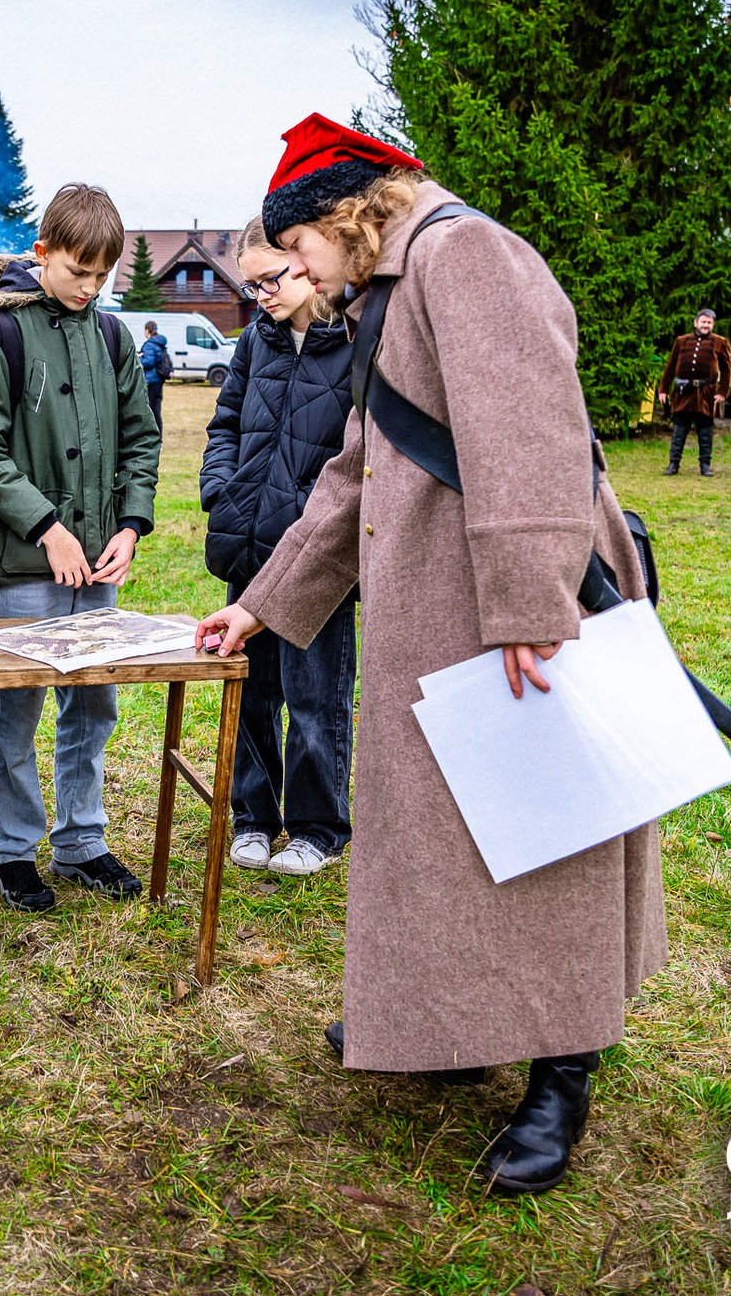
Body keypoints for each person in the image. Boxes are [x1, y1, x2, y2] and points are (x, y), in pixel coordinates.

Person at [197, 114, 664, 1197]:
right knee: (448, 832)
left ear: (345, 214)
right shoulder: (396, 283)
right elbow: (357, 470)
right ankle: (456, 1021)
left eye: (297, 248)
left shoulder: (467, 255)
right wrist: (262, 607)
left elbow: (533, 436)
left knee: (547, 832)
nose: (297, 273)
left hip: (517, 603)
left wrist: (528, 604)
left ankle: (562, 1070)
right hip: (442, 601)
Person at [0, 182, 161, 913]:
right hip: (21, 563)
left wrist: (130, 524)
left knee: (94, 702)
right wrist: (47, 528)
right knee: (16, 708)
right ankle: (12, 849)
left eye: (102, 275)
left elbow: (142, 439)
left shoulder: (114, 337)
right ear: (42, 253)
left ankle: (81, 840)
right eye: (77, 271)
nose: (90, 287)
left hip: (98, 561)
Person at [200, 217, 356, 878]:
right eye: (251, 284)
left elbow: (358, 459)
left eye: (270, 279)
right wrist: (222, 490)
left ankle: (318, 828)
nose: (260, 295)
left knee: (316, 694)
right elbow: (225, 424)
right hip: (248, 545)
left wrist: (308, 522)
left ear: (304, 261)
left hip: (317, 559)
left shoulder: (355, 342)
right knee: (252, 691)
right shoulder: (253, 342)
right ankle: (255, 818)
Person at [656, 309, 731, 475]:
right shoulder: (681, 341)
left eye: (709, 323)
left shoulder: (720, 342)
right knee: (679, 429)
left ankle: (705, 465)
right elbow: (670, 366)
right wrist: (663, 389)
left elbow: (727, 370)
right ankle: (673, 463)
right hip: (683, 392)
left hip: (706, 393)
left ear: (713, 324)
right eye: (703, 322)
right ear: (696, 322)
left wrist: (722, 392)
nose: (706, 325)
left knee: (705, 430)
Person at [138, 319, 173, 428]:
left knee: (150, 410)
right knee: (156, 410)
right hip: (158, 380)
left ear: (147, 330)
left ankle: (151, 433)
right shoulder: (160, 343)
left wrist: (138, 358)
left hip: (150, 380)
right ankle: (159, 434)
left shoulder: (149, 345)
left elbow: (149, 362)